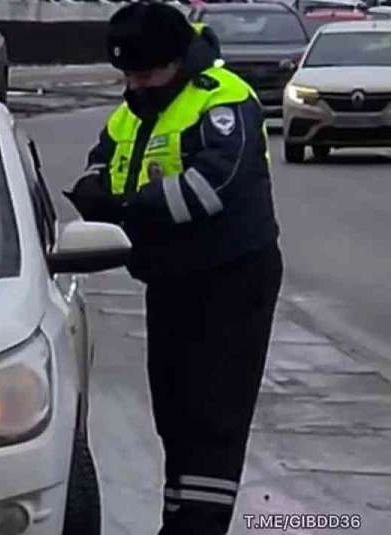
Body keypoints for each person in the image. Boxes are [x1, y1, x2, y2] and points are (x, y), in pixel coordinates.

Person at [64, 2, 283, 535]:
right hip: (170, 278)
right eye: (127, 75)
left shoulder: (222, 99)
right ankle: (180, 518)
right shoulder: (133, 108)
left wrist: (134, 207)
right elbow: (105, 157)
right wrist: (97, 190)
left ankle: (201, 526)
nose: (135, 85)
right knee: (175, 412)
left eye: (144, 73)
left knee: (213, 415)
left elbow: (216, 184)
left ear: (176, 59)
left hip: (230, 277)